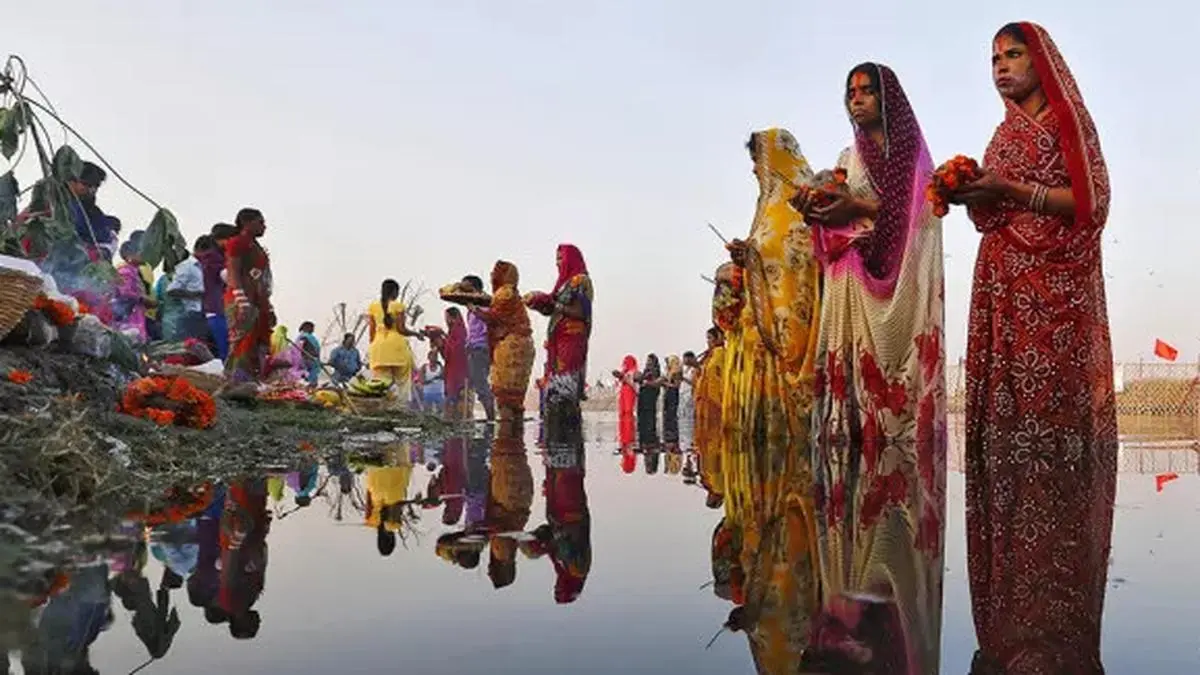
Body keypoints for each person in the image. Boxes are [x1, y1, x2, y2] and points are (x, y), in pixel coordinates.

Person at [948, 23, 1116, 675]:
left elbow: (1092, 203)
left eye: (1013, 54)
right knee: (1007, 459)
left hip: (1058, 285)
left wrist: (1014, 192)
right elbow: (990, 216)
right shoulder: (1004, 134)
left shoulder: (1070, 123)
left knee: (1053, 441)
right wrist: (972, 196)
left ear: (1042, 62)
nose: (1000, 66)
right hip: (1003, 279)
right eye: (992, 57)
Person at [791, 66, 946, 673]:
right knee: (853, 436)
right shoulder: (843, 157)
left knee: (895, 405)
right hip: (851, 279)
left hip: (898, 281)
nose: (857, 102)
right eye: (850, 93)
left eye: (866, 92)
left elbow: (920, 219)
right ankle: (858, 454)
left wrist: (855, 205)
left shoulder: (915, 160)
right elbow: (842, 218)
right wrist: (821, 207)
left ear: (889, 100)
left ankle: (895, 459)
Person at [715, 128, 823, 659]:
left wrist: (754, 258)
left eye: (759, 162)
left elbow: (800, 263)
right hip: (765, 327)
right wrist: (748, 257)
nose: (757, 172)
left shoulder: (800, 203)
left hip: (789, 327)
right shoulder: (767, 209)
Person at [525, 244, 594, 430]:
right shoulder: (563, 284)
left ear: (571, 259)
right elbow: (552, 307)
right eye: (556, 259)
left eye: (560, 258)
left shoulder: (581, 281)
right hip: (557, 341)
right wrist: (538, 302)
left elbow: (580, 312)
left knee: (565, 386)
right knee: (555, 387)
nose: (557, 263)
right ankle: (557, 438)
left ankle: (567, 436)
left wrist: (554, 306)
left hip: (572, 340)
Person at [472, 261, 535, 424]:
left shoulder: (504, 292)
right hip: (524, 346)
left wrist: (474, 310)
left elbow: (494, 318)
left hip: (510, 347)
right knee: (516, 400)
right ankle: (517, 441)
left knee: (504, 399)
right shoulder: (514, 294)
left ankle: (505, 444)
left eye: (495, 272)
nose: (492, 275)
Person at [223, 209, 275, 383]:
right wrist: (241, 300)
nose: (264, 226)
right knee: (242, 343)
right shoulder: (237, 243)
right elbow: (233, 272)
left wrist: (267, 306)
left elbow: (261, 279)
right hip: (242, 300)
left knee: (257, 344)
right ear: (246, 223)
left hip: (257, 301)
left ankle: (252, 383)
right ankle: (234, 382)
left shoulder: (256, 247)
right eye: (260, 222)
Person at [366, 278, 424, 401]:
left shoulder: (373, 307)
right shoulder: (398, 306)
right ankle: (400, 408)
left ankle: (382, 408)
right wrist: (415, 334)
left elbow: (371, 333)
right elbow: (401, 329)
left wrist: (373, 348)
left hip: (378, 347)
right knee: (402, 382)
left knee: (381, 383)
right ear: (394, 292)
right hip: (397, 347)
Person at [462, 275, 497, 421]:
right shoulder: (471, 309)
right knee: (476, 382)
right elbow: (472, 332)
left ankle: (491, 419)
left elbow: (489, 324)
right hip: (474, 348)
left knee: (481, 383)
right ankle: (488, 416)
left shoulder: (484, 306)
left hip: (482, 349)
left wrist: (476, 310)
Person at [198, 224, 235, 360]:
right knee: (224, 349)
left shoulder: (218, 256)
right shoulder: (213, 258)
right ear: (222, 240)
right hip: (215, 309)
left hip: (217, 308)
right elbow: (227, 277)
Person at [167, 236, 208, 342]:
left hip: (206, 313)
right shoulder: (187, 266)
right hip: (191, 314)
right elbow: (172, 290)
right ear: (199, 250)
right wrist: (196, 294)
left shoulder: (205, 266)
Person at [113, 239, 152, 343]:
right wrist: (143, 299)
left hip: (137, 313)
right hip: (129, 316)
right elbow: (125, 293)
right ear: (129, 255)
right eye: (140, 252)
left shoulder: (135, 271)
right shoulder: (125, 271)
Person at [442, 308, 469, 418]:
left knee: (456, 402)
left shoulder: (459, 331)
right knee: (451, 400)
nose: (446, 320)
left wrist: (445, 341)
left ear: (453, 318)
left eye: (447, 317)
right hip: (452, 371)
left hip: (458, 372)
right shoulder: (453, 332)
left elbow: (457, 350)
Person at [634, 354, 662, 447]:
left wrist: (646, 382)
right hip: (643, 395)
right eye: (648, 360)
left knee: (649, 416)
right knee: (642, 416)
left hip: (650, 396)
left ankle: (650, 439)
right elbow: (640, 380)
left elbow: (656, 383)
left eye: (650, 360)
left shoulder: (655, 371)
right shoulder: (646, 371)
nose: (648, 362)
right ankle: (643, 437)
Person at [662, 355, 683, 443]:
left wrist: (665, 384)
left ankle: (672, 436)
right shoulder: (669, 372)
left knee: (672, 413)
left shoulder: (676, 372)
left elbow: (677, 385)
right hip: (668, 394)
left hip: (673, 394)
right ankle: (668, 434)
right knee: (667, 414)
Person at [296, 321, 321, 386]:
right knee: (307, 380)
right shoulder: (303, 336)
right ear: (306, 327)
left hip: (313, 361)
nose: (313, 329)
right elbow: (299, 348)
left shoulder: (311, 337)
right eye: (312, 327)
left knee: (313, 380)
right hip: (306, 361)